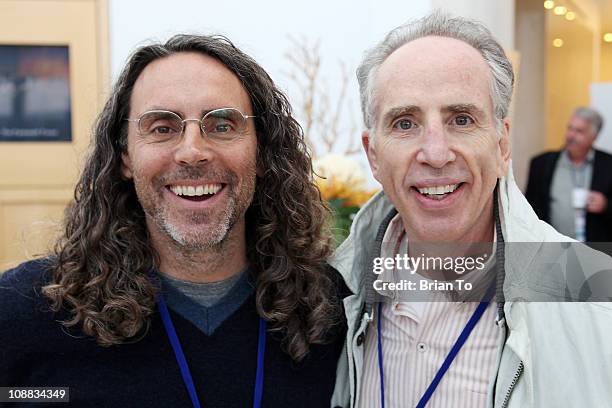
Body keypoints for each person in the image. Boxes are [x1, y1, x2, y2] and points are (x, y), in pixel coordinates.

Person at [0, 34, 346, 408]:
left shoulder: (332, 314)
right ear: (125, 157)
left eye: (222, 125)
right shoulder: (24, 312)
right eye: (162, 127)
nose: (192, 151)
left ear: (262, 153)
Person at [329, 13, 612, 408]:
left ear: (501, 145)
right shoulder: (331, 293)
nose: (436, 153)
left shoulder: (594, 292)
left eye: (461, 119)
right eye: (405, 123)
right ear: (373, 155)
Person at [525, 107, 612, 242]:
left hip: (595, 251)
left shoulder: (608, 165)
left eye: (579, 131)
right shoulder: (541, 164)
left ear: (594, 136)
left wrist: (606, 206)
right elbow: (529, 209)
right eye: (570, 128)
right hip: (552, 250)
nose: (571, 135)